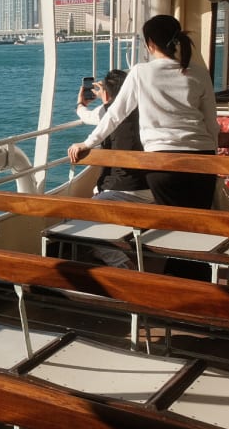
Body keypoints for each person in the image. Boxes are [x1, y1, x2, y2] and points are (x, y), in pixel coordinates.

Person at [67, 15, 219, 278]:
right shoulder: (198, 72)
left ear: (149, 43)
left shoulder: (140, 72)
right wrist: (215, 161)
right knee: (196, 228)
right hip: (203, 162)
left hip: (162, 163)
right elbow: (211, 123)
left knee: (175, 229)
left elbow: (114, 115)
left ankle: (181, 290)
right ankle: (196, 283)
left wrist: (87, 143)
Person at [75, 69, 151, 268]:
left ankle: (123, 266)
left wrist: (82, 102)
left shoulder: (106, 112)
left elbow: (85, 115)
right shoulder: (147, 111)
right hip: (153, 191)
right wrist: (107, 97)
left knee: (82, 221)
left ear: (107, 94)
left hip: (123, 191)